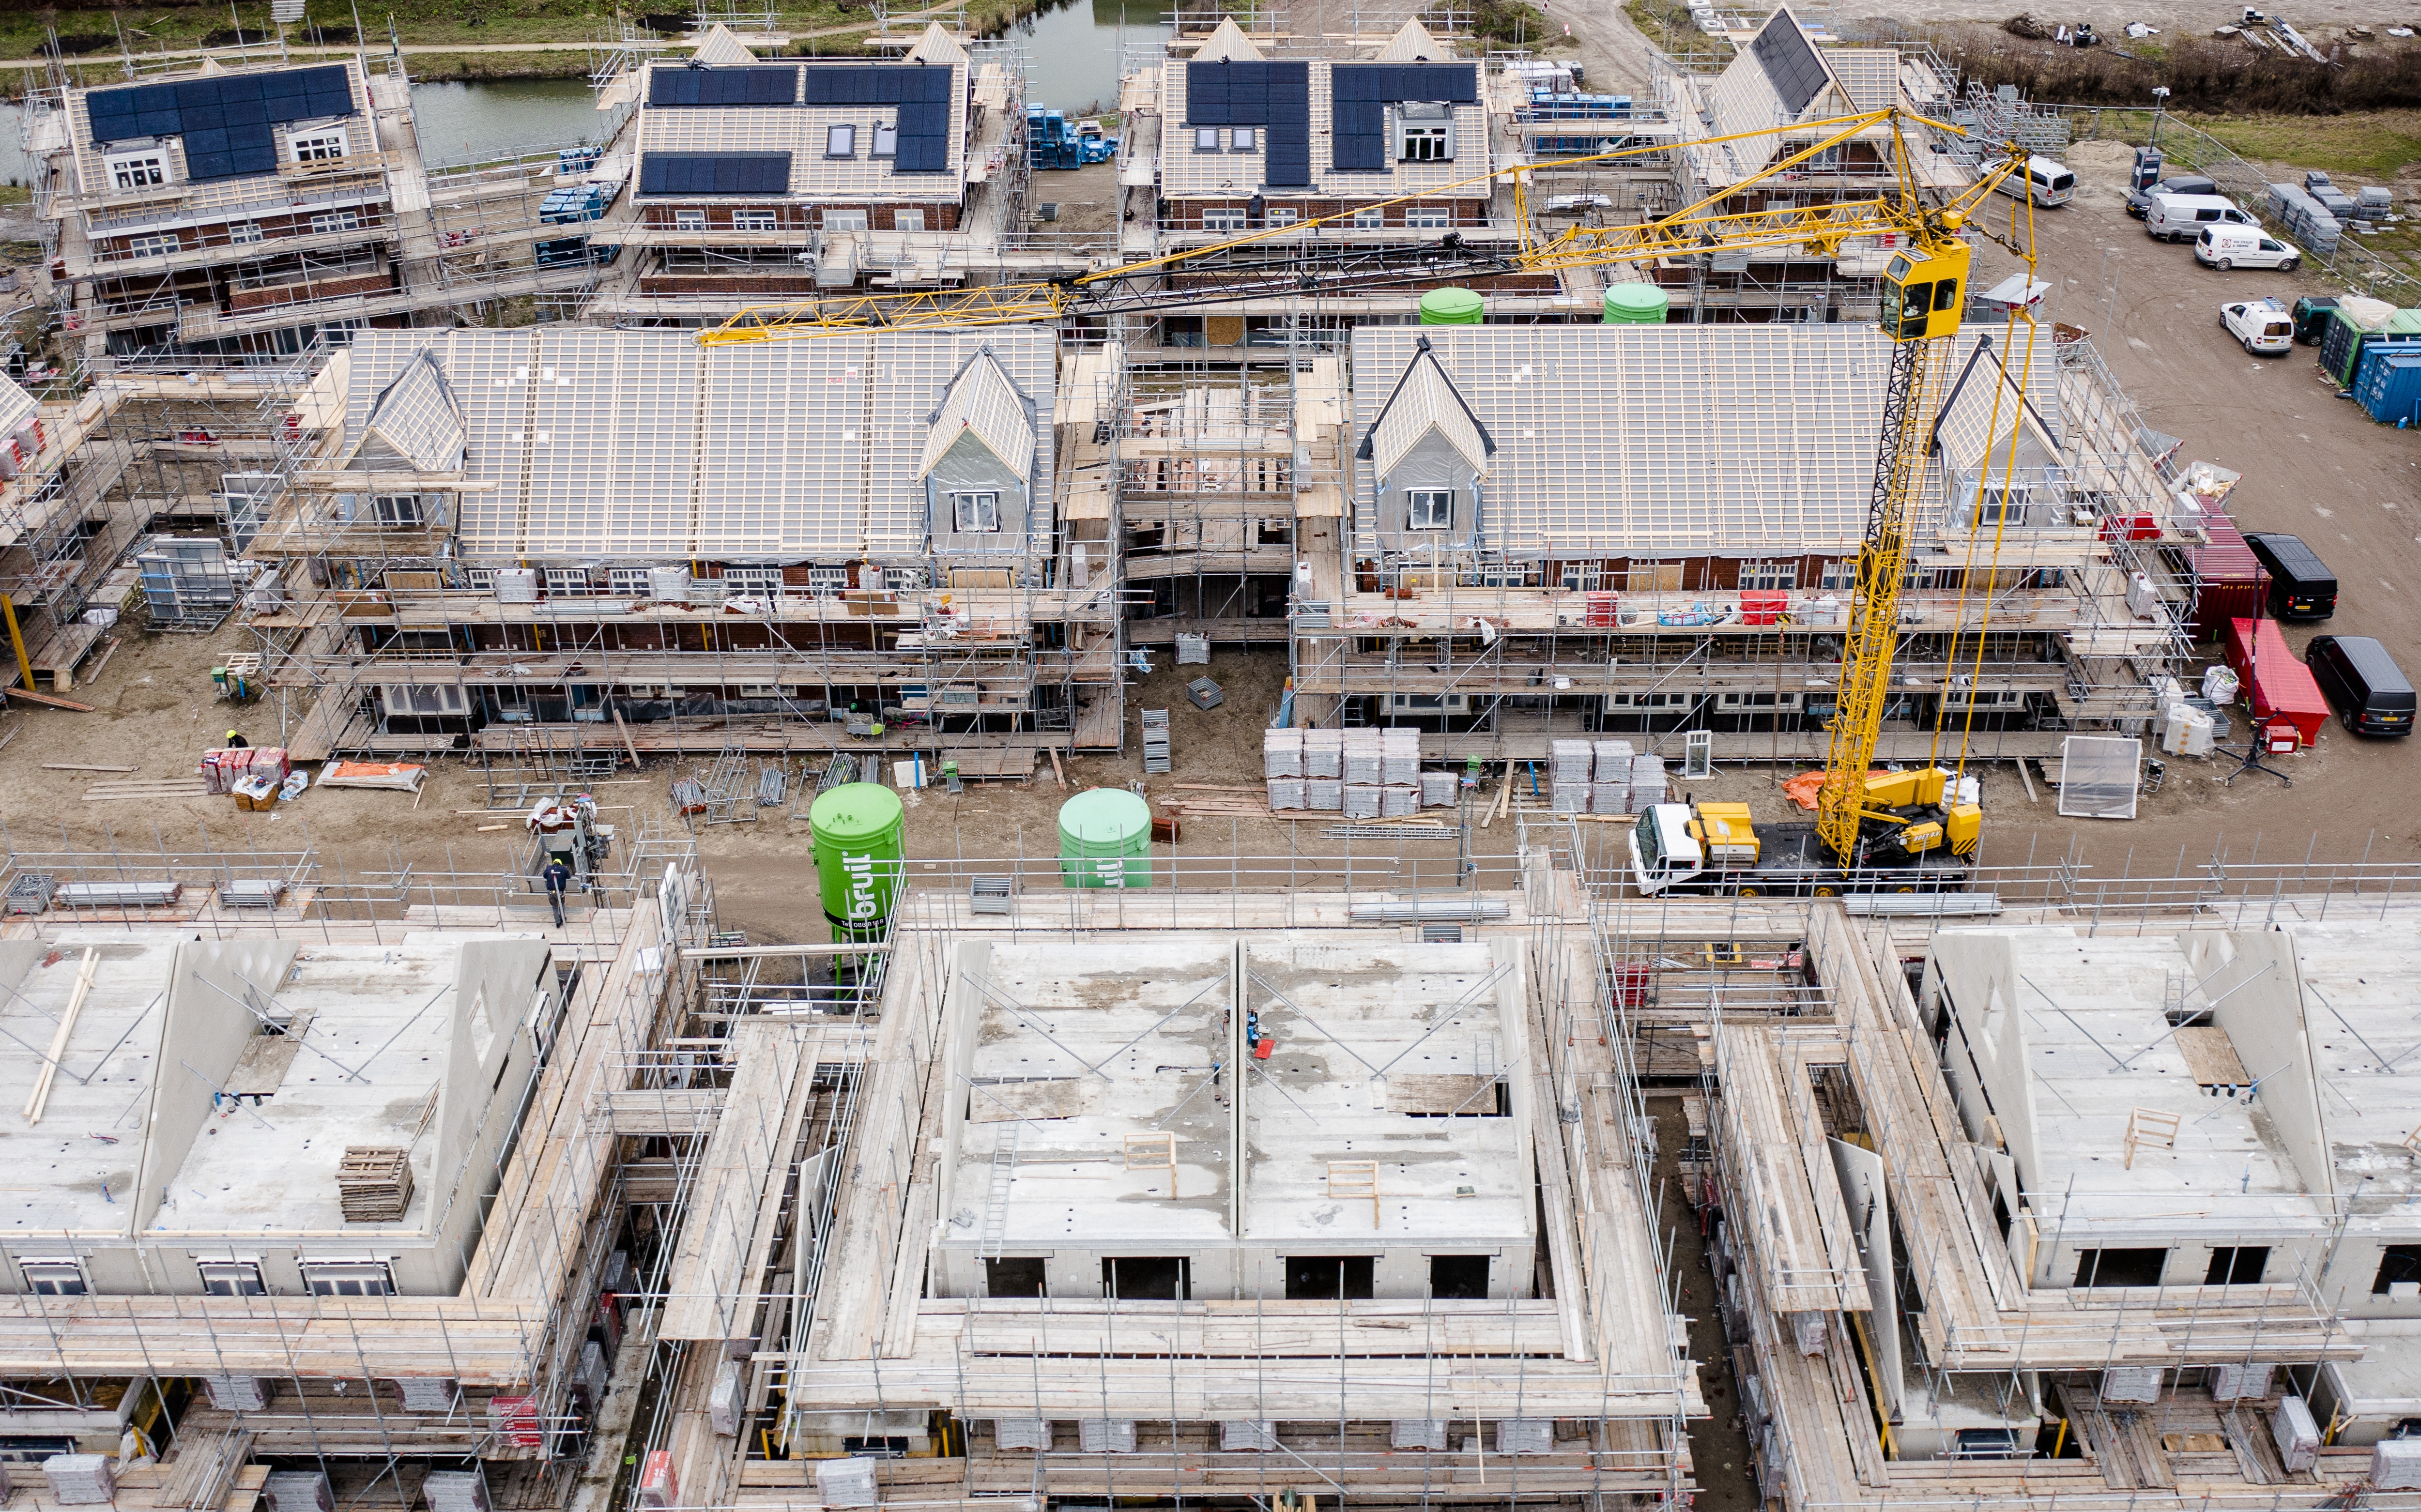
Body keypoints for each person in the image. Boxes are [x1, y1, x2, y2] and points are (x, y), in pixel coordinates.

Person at [541, 858, 572, 928]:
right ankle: (563, 919)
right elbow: (569, 877)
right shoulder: (564, 869)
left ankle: (558, 923)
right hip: (560, 891)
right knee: (562, 905)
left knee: (555, 907)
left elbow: (545, 876)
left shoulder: (548, 868)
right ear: (560, 863)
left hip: (550, 892)